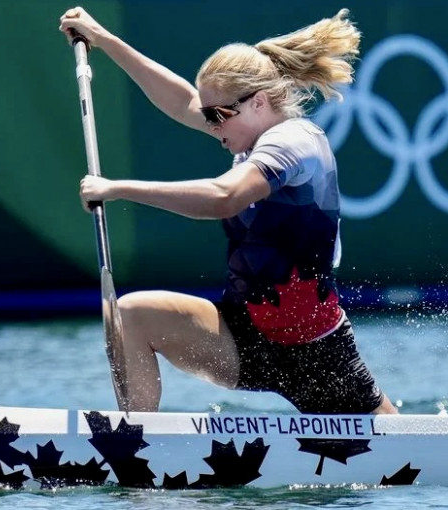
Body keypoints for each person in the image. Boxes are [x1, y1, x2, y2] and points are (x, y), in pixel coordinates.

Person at [59, 7, 397, 415]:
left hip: (315, 353)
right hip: (242, 336)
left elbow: (225, 197)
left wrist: (117, 189)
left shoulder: (294, 141)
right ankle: (136, 446)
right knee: (129, 316)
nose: (212, 126)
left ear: (257, 102)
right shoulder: (245, 132)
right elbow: (182, 100)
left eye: (218, 116)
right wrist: (103, 39)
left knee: (401, 450)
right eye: (209, 117)